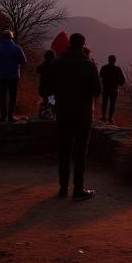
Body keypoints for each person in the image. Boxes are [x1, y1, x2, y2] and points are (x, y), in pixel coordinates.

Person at [49, 32, 102, 201]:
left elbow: (48, 87)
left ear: (69, 44)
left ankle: (63, 188)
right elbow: (97, 91)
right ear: (83, 44)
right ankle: (78, 189)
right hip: (82, 113)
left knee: (64, 150)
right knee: (80, 152)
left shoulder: (57, 63)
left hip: (63, 112)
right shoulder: (88, 65)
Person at [0, 30, 27, 123]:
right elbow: (24, 62)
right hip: (14, 76)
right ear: (11, 37)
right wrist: (18, 68)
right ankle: (10, 116)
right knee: (13, 96)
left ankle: (3, 116)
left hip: (1, 76)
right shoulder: (17, 49)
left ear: (2, 38)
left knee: (2, 96)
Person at [99, 55, 125, 123]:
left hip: (106, 88)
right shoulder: (117, 69)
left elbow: (100, 76)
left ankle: (103, 117)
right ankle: (110, 118)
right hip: (114, 89)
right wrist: (118, 83)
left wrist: (104, 81)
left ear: (108, 60)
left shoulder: (104, 67)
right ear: (114, 61)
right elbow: (123, 80)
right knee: (112, 104)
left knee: (104, 102)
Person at [36, 50, 56, 119]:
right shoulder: (54, 66)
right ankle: (52, 114)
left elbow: (37, 70)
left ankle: (45, 112)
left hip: (43, 88)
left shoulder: (43, 65)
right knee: (52, 101)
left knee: (45, 100)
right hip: (52, 89)